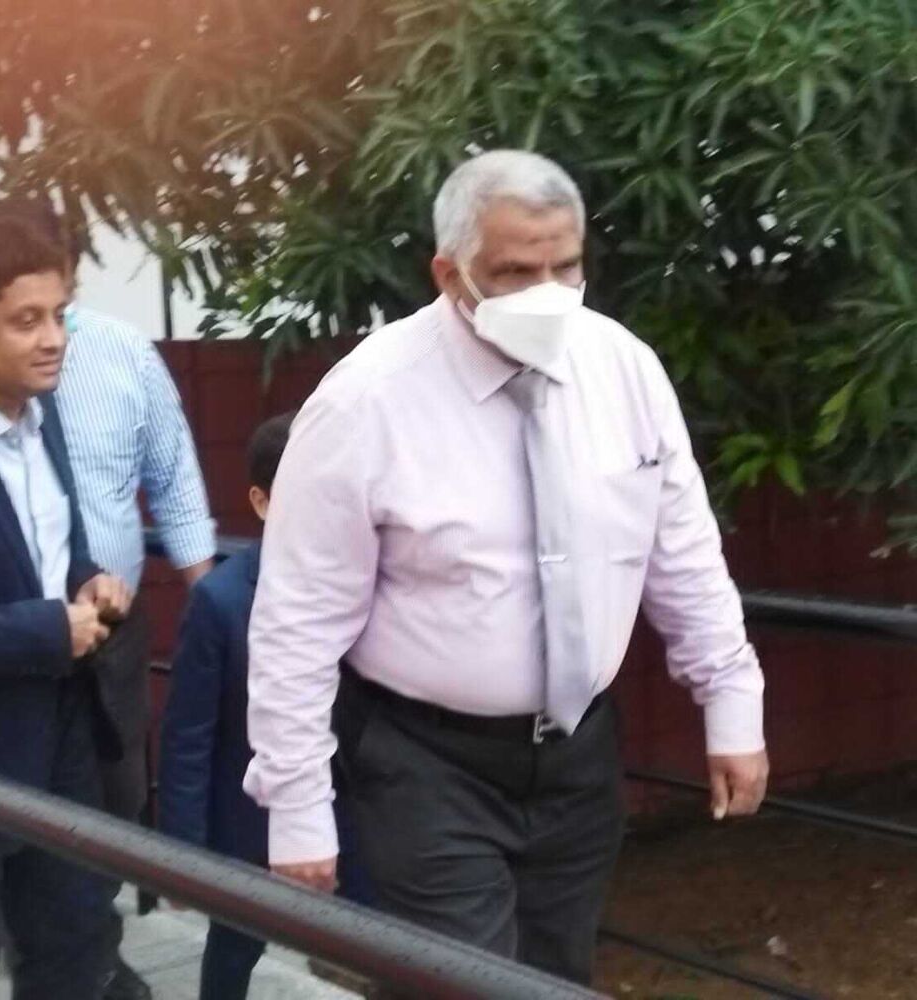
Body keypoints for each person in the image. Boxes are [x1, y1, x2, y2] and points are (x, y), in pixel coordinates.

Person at [244, 149, 770, 985]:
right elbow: (298, 619)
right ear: (449, 273)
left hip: (579, 758)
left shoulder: (623, 369)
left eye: (567, 267)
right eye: (517, 272)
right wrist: (297, 807)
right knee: (465, 985)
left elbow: (681, 552)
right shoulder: (364, 403)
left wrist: (731, 702)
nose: (548, 293)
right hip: (426, 764)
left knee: (556, 978)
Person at [0, 197, 216, 1000]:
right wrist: (45, 630)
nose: (54, 339)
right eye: (27, 321)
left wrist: (88, 577)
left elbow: (47, 543)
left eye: (60, 315)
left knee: (75, 952)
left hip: (64, 740)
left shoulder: (39, 414)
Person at [159, 412, 371, 1000]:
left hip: (357, 810)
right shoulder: (219, 600)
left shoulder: (366, 582)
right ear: (260, 501)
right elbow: (188, 737)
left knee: (387, 943)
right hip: (248, 820)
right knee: (235, 948)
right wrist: (180, 850)